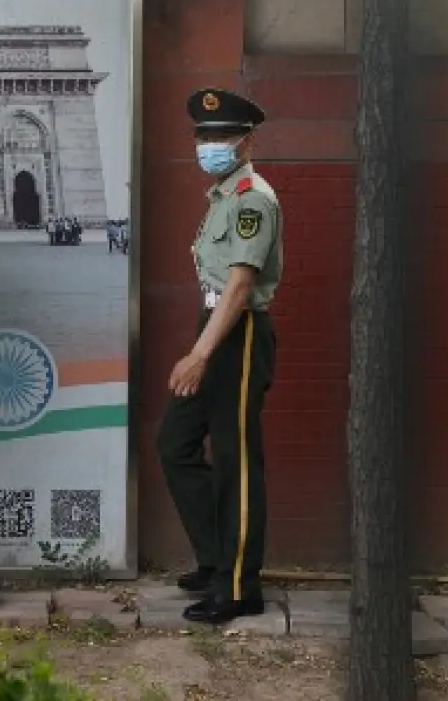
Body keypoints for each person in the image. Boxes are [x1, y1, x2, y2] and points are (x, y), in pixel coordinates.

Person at [157, 87, 283, 625]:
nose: (209, 144)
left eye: (221, 136)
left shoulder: (252, 197)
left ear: (247, 141)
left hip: (239, 331)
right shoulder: (223, 197)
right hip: (214, 325)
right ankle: (215, 557)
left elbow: (239, 284)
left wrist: (200, 353)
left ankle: (238, 586)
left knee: (234, 460)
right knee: (175, 444)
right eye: (203, 136)